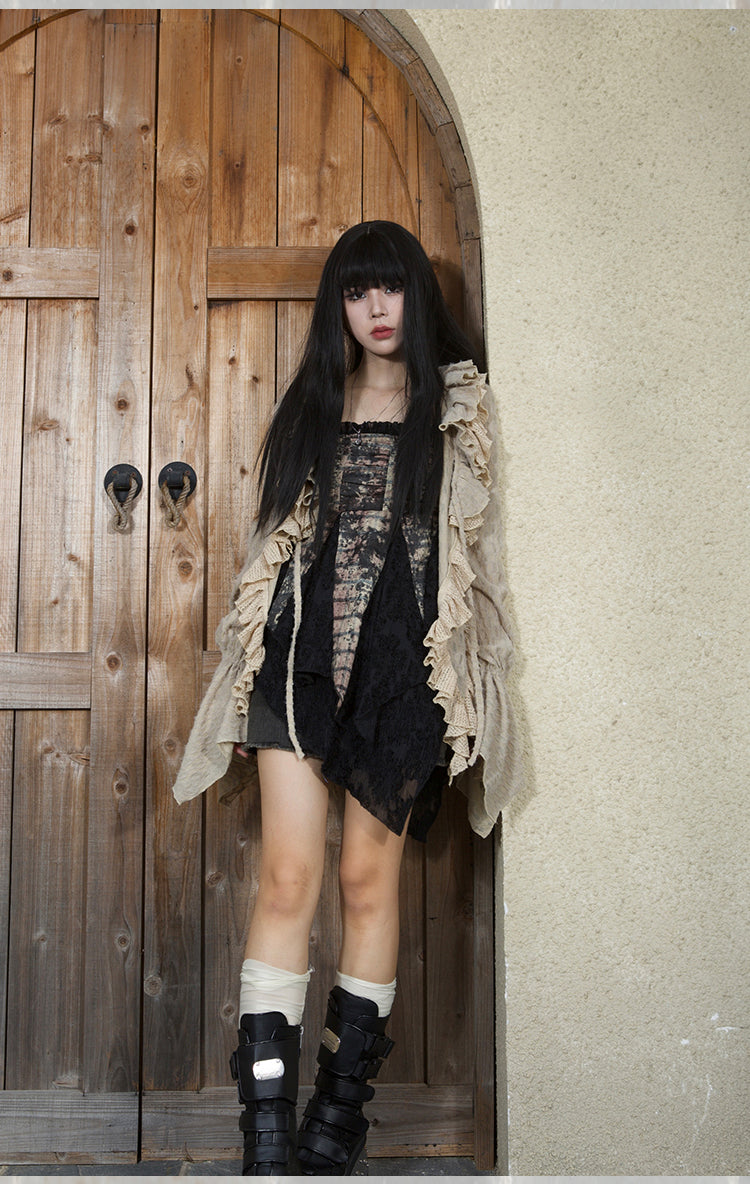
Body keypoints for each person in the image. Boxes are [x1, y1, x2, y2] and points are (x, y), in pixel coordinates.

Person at [172, 220, 522, 1175]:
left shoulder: (455, 411)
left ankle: (336, 1123)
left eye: (391, 287)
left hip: (404, 676)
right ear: (340, 307)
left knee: (369, 883)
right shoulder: (310, 409)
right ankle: (267, 1134)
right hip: (297, 666)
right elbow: (271, 553)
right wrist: (240, 678)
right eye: (357, 292)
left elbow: (476, 560)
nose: (376, 308)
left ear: (417, 296)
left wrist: (475, 690)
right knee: (288, 878)